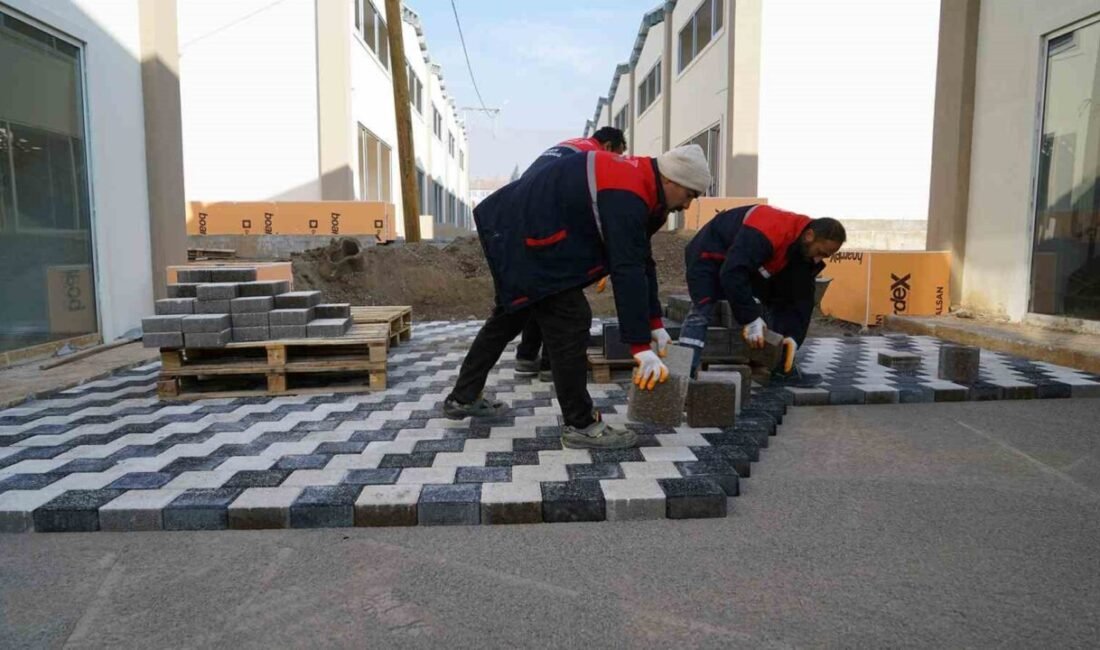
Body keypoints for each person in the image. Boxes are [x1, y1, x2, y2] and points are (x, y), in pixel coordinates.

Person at [444, 145, 712, 450]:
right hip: (525, 235)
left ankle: (462, 398)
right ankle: (581, 425)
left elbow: (641, 259)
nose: (688, 205)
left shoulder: (646, 189)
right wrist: (639, 346)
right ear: (672, 181)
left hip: (524, 232)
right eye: (690, 195)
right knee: (571, 319)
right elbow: (626, 268)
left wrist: (654, 323)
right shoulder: (629, 192)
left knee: (512, 314)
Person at [678, 204, 846, 385]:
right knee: (703, 308)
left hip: (744, 260)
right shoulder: (769, 229)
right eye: (820, 252)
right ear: (809, 235)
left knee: (776, 301)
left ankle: (781, 370)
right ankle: (683, 376)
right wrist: (750, 318)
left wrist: (793, 337)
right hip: (708, 255)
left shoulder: (803, 253)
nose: (819, 259)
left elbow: (801, 300)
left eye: (825, 256)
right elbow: (732, 273)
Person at [515, 127, 628, 380]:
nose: (619, 160)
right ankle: (550, 365)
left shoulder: (571, 145)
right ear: (609, 146)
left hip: (520, 220)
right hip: (546, 227)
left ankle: (526, 357)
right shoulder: (594, 156)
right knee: (562, 298)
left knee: (540, 294)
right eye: (620, 154)